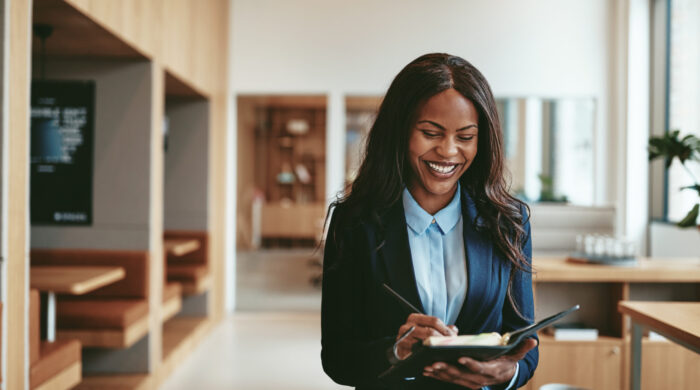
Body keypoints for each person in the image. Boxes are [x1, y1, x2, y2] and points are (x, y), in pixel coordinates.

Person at [321, 53, 538, 390]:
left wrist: (506, 373)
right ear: (401, 132)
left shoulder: (509, 223)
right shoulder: (354, 224)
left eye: (465, 137)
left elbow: (526, 348)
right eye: (430, 133)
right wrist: (395, 351)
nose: (449, 151)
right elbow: (336, 357)